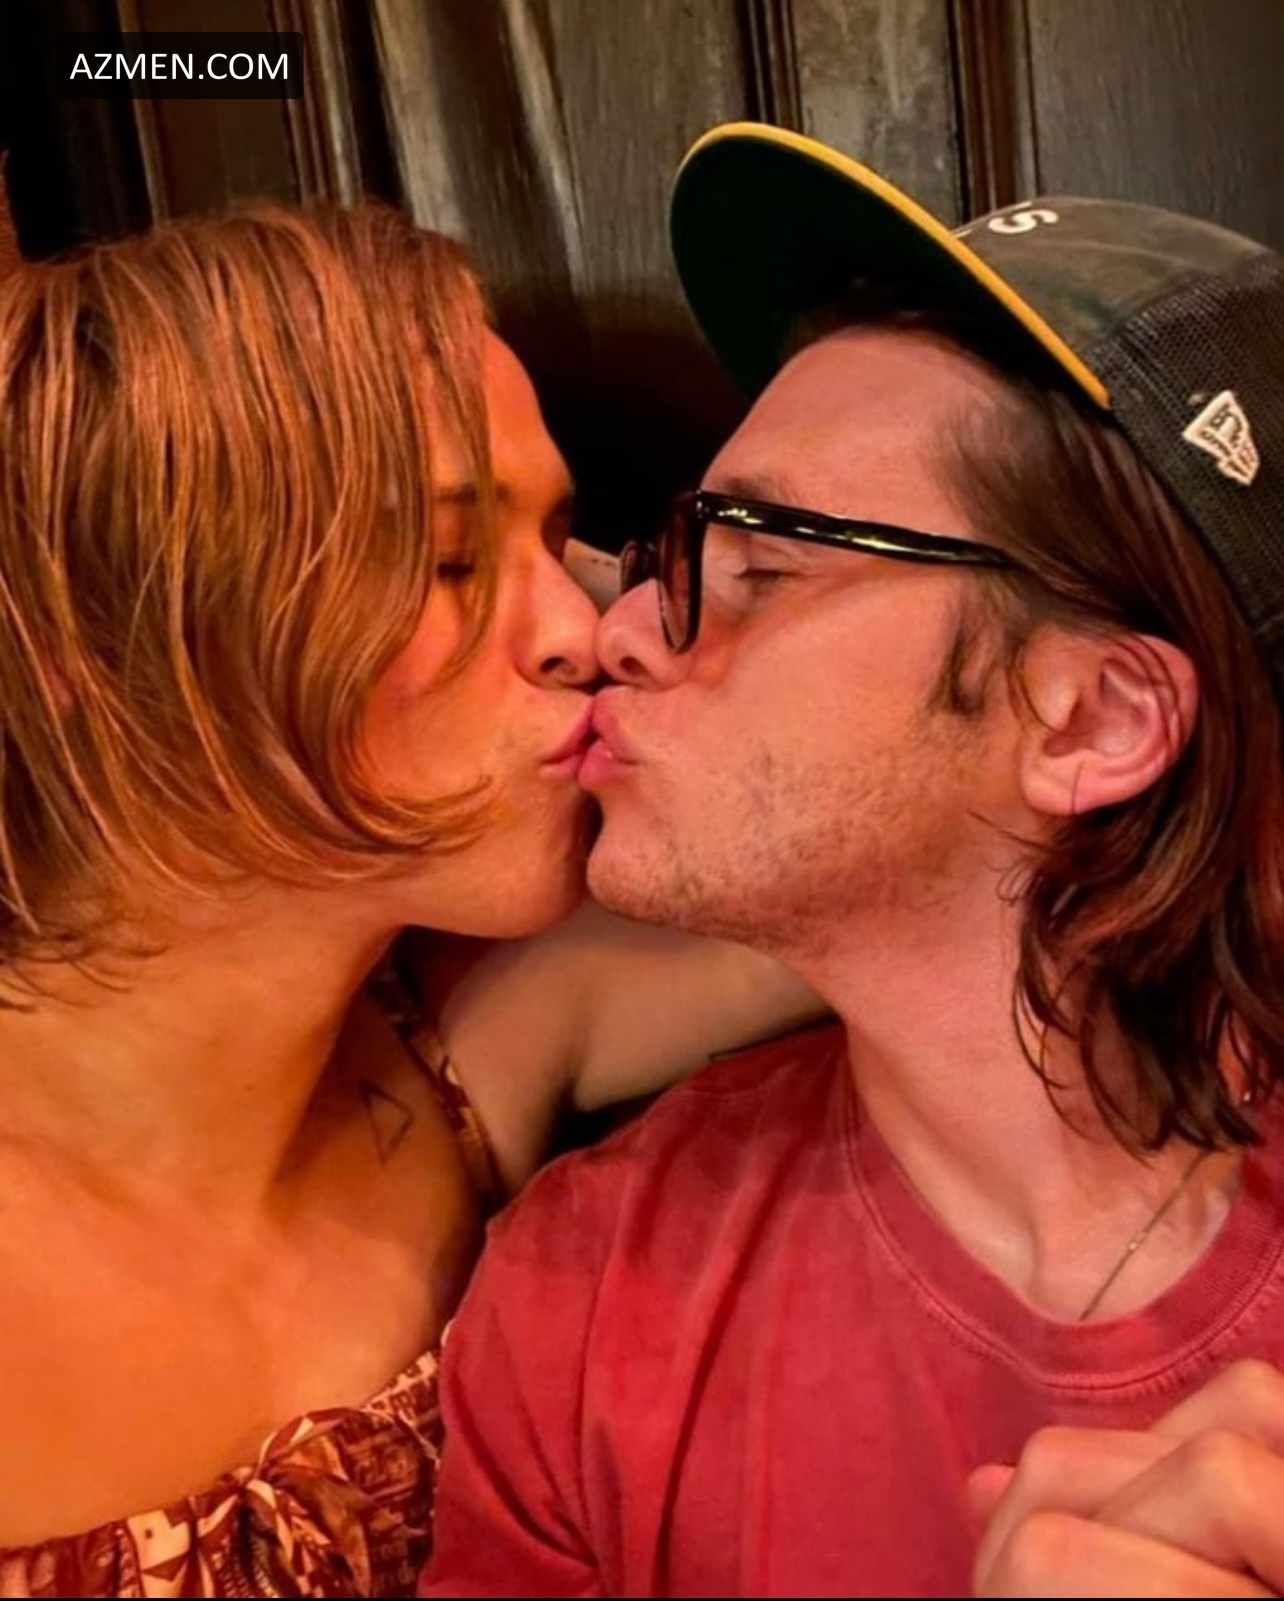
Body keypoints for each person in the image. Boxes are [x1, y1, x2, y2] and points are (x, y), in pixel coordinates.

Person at [418, 122, 1284, 1598]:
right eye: (677, 556)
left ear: (1092, 719)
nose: (616, 633)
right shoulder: (586, 1296)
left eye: (759, 566)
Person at [0, 197, 825, 1598]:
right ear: (103, 642)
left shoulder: (460, 1049)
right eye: (448, 562)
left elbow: (935, 865)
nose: (579, 628)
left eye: (556, 540)